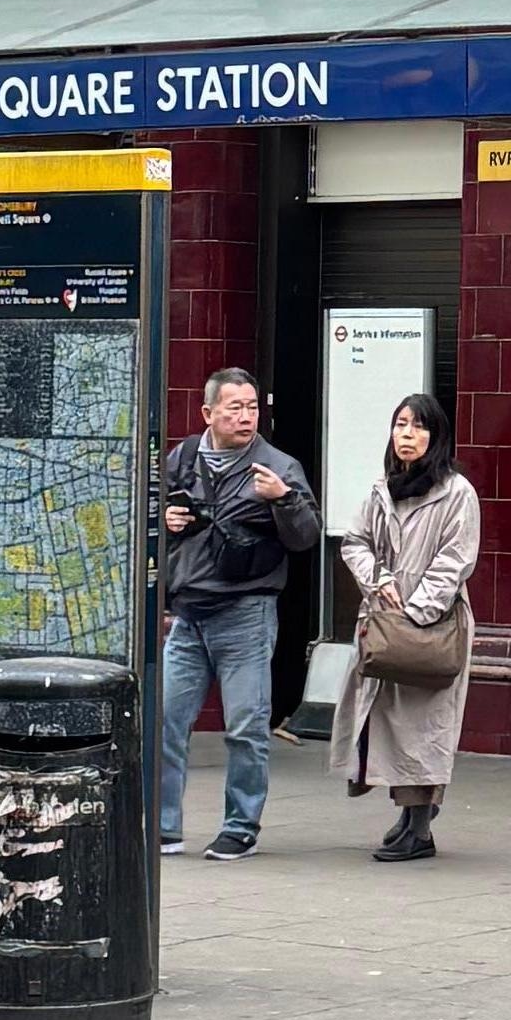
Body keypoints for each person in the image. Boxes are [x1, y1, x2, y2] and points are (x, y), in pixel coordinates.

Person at [153, 364, 317, 861]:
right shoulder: (181, 458)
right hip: (188, 614)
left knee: (246, 725)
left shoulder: (277, 466)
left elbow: (306, 536)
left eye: (252, 407)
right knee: (165, 723)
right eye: (235, 408)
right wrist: (165, 519)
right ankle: (162, 826)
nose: (246, 417)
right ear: (208, 412)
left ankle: (240, 826)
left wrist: (283, 500)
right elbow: (152, 524)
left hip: (246, 611)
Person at [332, 390, 481, 864]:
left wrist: (414, 613)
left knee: (425, 725)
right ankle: (408, 816)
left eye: (418, 427)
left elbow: (454, 561)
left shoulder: (457, 493)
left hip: (431, 626)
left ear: (435, 437)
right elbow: (355, 542)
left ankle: (420, 827)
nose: (407, 435)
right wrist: (378, 580)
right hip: (385, 622)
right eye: (400, 425)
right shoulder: (382, 490)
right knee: (390, 722)